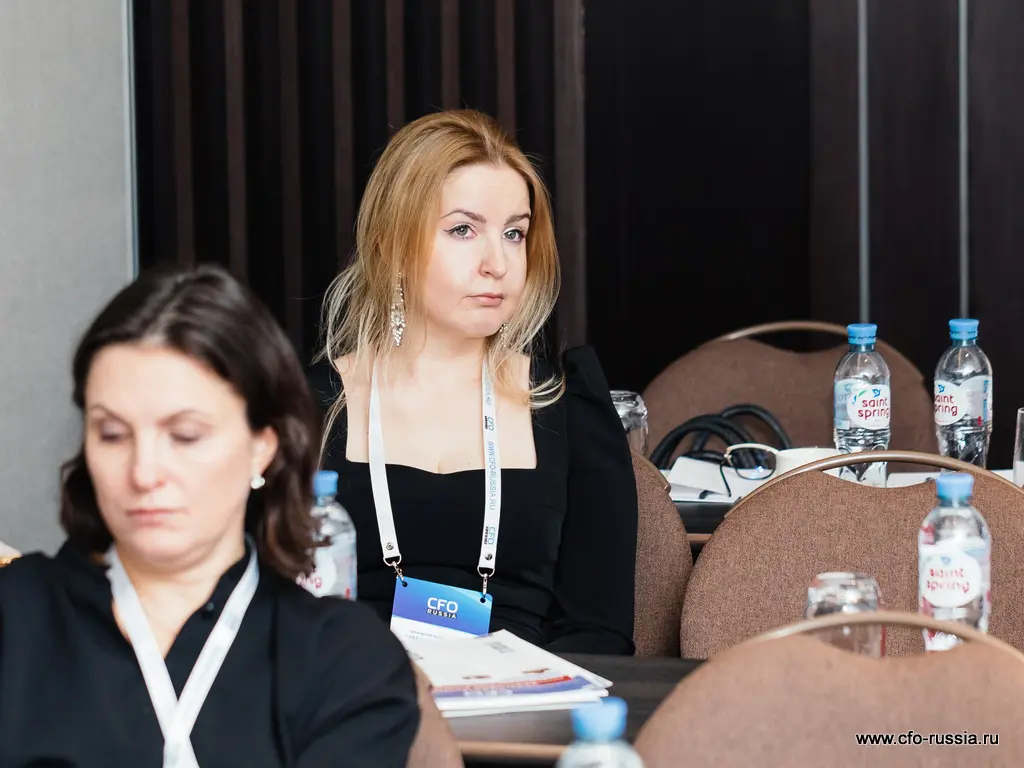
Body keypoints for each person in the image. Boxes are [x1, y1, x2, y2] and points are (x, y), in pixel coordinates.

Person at [0, 266, 419, 767]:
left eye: (186, 436)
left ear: (262, 446)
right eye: (112, 434)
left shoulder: (342, 658)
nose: (144, 472)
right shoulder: (16, 618)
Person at [311, 109, 637, 655]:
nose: (498, 263)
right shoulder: (308, 408)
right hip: (355, 694)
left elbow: (599, 634)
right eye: (463, 230)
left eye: (514, 233)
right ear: (392, 246)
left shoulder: (568, 405)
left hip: (525, 700)